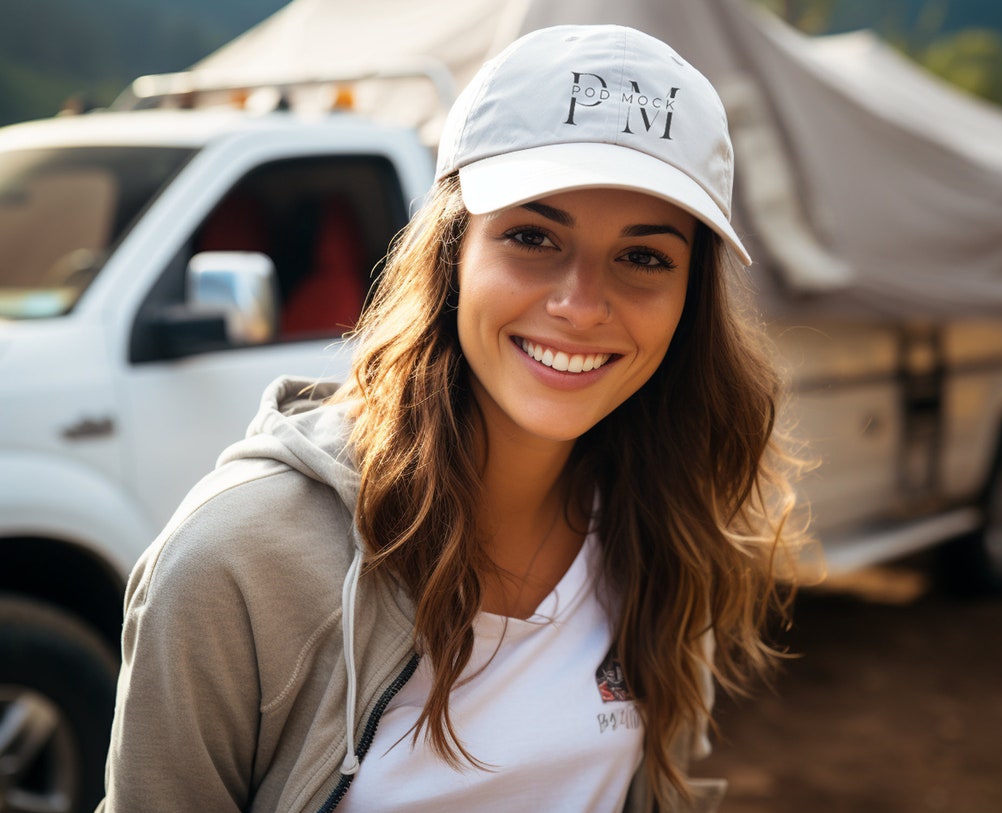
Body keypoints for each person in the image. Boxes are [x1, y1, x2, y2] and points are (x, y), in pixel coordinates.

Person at [98, 23, 805, 813]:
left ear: (689, 299)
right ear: (451, 251)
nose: (580, 305)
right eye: (533, 237)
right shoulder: (234, 566)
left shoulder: (666, 526)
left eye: (645, 257)